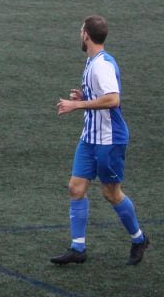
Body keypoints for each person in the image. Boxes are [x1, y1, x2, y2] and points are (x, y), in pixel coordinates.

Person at [51, 15, 148, 266]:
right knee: (76, 188)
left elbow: (113, 99)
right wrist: (86, 95)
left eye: (81, 30)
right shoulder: (92, 61)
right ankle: (78, 248)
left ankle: (139, 239)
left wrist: (77, 104)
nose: (79, 34)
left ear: (86, 35)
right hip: (90, 137)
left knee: (111, 193)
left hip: (109, 139)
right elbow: (102, 96)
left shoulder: (101, 64)